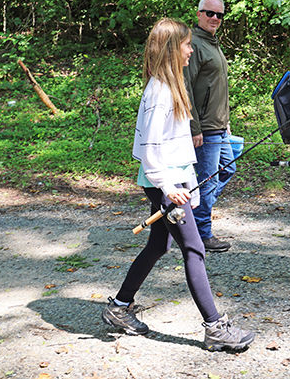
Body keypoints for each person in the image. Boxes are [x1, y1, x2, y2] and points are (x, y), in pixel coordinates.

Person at [101, 18, 254, 352]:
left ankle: (119, 307)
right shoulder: (159, 92)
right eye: (186, 45)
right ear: (172, 49)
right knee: (195, 250)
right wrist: (168, 187)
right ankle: (215, 328)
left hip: (171, 181)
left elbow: (178, 145)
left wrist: (190, 183)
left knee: (158, 246)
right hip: (164, 184)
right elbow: (149, 148)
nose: (190, 50)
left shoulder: (171, 87)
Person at [184, 0, 235, 253]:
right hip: (204, 127)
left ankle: (189, 218)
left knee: (227, 169)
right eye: (209, 13)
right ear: (199, 14)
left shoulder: (212, 43)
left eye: (219, 15)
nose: (214, 18)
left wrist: (226, 121)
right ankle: (201, 233)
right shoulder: (193, 44)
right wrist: (194, 127)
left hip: (219, 125)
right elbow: (186, 88)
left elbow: (215, 88)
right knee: (207, 179)